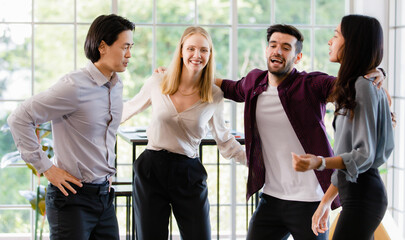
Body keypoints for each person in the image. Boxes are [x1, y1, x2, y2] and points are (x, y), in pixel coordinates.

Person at [215, 24, 384, 240]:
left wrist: (377, 73)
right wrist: (182, 73)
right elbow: (227, 86)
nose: (277, 51)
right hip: (271, 199)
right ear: (267, 50)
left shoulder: (311, 84)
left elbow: (352, 87)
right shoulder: (253, 82)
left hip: (310, 202)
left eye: (286, 47)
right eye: (273, 45)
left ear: (298, 56)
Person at [7, 14, 135, 240]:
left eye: (131, 47)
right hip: (71, 199)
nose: (129, 55)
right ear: (103, 46)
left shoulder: (116, 86)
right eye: (124, 47)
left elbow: (105, 135)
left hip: (104, 198)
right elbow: (19, 118)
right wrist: (46, 167)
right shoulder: (74, 86)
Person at [121, 26, 246, 240]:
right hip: (151, 169)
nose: (197, 55)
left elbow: (225, 141)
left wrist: (261, 163)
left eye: (204, 50)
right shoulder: (157, 83)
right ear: (181, 51)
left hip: (188, 172)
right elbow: (124, 112)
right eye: (191, 49)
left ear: (210, 54)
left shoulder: (214, 95)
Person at [292, 14, 394, 240]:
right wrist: (325, 202)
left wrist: (320, 162)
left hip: (364, 196)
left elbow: (363, 155)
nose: (330, 41)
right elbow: (347, 163)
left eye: (336, 35)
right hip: (356, 196)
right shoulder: (356, 86)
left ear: (353, 43)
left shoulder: (364, 86)